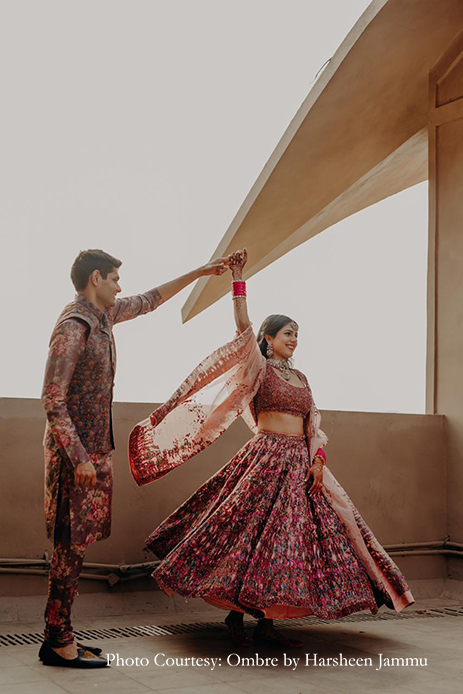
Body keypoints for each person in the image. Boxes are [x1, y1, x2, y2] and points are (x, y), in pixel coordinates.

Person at [129, 248, 415, 648]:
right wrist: (238, 281)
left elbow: (314, 424)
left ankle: (266, 620)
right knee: (244, 536)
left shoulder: (301, 378)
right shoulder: (258, 369)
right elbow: (242, 327)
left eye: (297, 334)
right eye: (287, 334)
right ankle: (235, 613)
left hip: (299, 466)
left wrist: (317, 461)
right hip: (263, 461)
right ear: (268, 339)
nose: (294, 340)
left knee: (287, 543)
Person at [39, 248, 228, 667]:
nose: (120, 286)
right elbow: (53, 399)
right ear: (95, 280)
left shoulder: (103, 317)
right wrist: (79, 458)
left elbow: (150, 301)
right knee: (68, 548)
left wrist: (200, 270)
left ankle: (60, 632)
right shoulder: (74, 326)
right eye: (114, 279)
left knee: (77, 547)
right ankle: (56, 639)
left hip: (92, 456)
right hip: (76, 462)